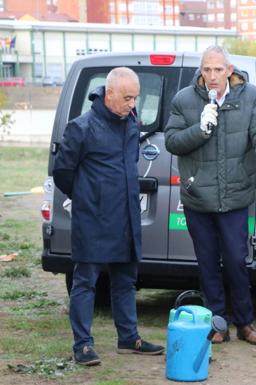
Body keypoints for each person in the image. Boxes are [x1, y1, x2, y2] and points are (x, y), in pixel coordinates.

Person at [164, 45, 256, 345]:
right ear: (201, 71)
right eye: (206, 69)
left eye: (217, 69)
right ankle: (218, 324)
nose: (212, 76)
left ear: (229, 70)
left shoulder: (249, 96)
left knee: (236, 261)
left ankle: (245, 322)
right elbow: (172, 142)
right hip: (197, 196)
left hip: (235, 195)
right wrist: (200, 129)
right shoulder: (184, 99)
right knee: (207, 263)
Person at [53, 67, 164, 366]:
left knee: (126, 280)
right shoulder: (82, 127)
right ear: (109, 93)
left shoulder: (130, 122)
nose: (132, 104)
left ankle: (129, 338)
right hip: (93, 218)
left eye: (136, 98)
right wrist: (88, 197)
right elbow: (62, 171)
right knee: (85, 281)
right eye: (127, 98)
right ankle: (83, 345)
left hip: (127, 215)